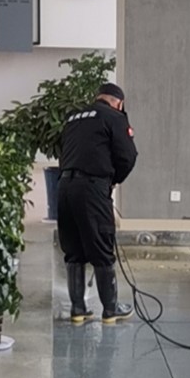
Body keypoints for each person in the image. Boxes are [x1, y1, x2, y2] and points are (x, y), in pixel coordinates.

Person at [57, 82, 138, 324]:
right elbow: (128, 156)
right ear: (119, 103)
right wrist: (111, 181)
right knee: (102, 248)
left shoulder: (73, 117)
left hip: (65, 187)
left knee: (73, 251)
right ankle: (110, 310)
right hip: (92, 188)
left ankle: (78, 309)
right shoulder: (114, 117)